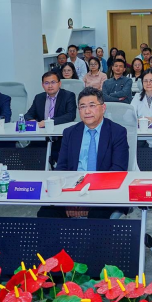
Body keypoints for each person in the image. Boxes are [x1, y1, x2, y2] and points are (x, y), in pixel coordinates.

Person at [38, 87, 128, 219]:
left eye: (92, 105)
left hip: (103, 192)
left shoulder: (117, 132)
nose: (87, 111)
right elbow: (61, 168)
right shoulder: (70, 133)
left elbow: (118, 170)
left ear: (103, 108)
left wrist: (88, 203)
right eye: (82, 107)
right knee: (45, 214)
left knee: (97, 217)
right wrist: (69, 202)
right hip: (72, 190)